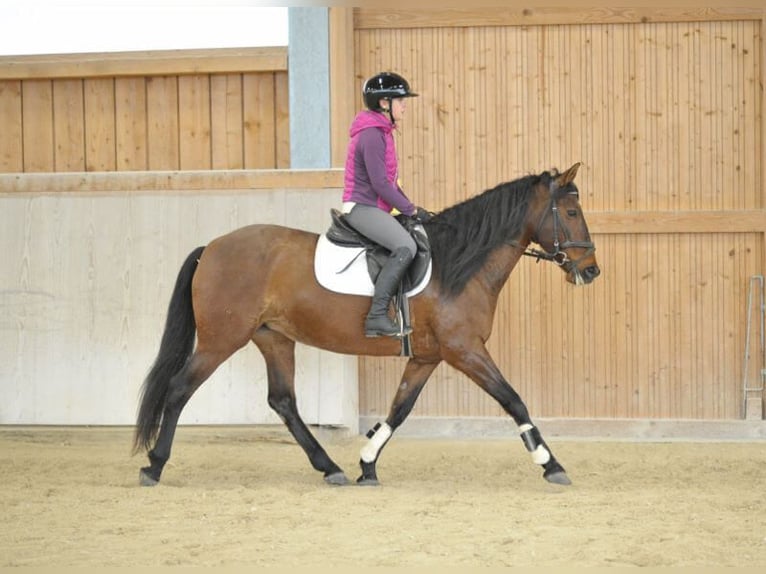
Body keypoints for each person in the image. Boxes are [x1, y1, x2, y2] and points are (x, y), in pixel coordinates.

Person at [342, 71, 432, 338]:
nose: (404, 106)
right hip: (362, 207)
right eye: (400, 100)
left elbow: (391, 182)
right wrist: (410, 209)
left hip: (375, 206)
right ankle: (377, 315)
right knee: (406, 245)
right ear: (384, 103)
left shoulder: (383, 132)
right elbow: (380, 184)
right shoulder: (371, 134)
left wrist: (412, 208)